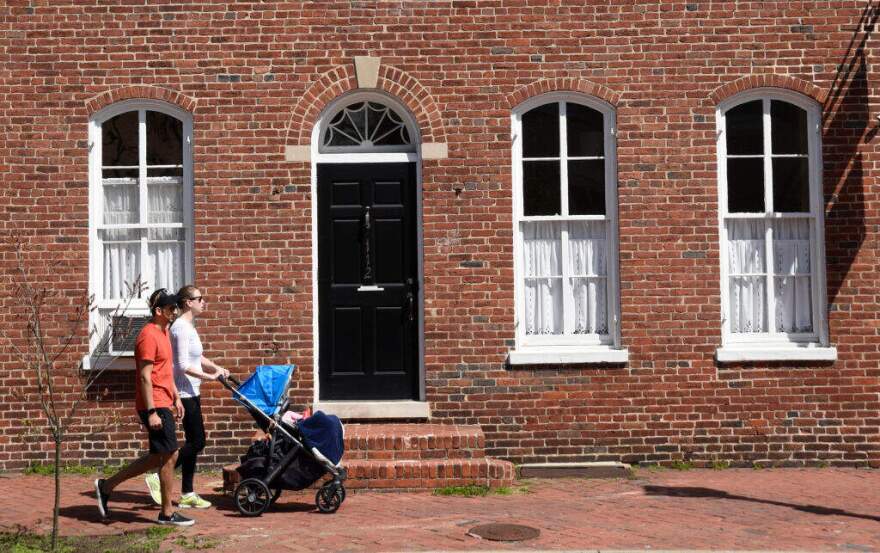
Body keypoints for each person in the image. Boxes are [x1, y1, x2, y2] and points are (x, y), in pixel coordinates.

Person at [94, 289, 195, 526]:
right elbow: (144, 377)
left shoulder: (164, 331)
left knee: (157, 457)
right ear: (158, 311)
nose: (174, 312)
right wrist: (151, 412)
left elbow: (166, 370)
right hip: (153, 404)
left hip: (163, 400)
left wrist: (176, 397)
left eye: (175, 308)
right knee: (171, 454)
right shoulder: (148, 335)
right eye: (171, 309)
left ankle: (106, 486)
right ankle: (167, 513)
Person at [144, 285, 228, 509]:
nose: (204, 302)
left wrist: (217, 367)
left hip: (193, 390)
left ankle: (188, 492)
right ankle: (159, 475)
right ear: (188, 302)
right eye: (200, 298)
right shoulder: (180, 327)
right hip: (184, 392)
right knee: (198, 441)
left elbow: (197, 356)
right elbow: (181, 365)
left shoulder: (188, 326)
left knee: (193, 441)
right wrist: (211, 377)